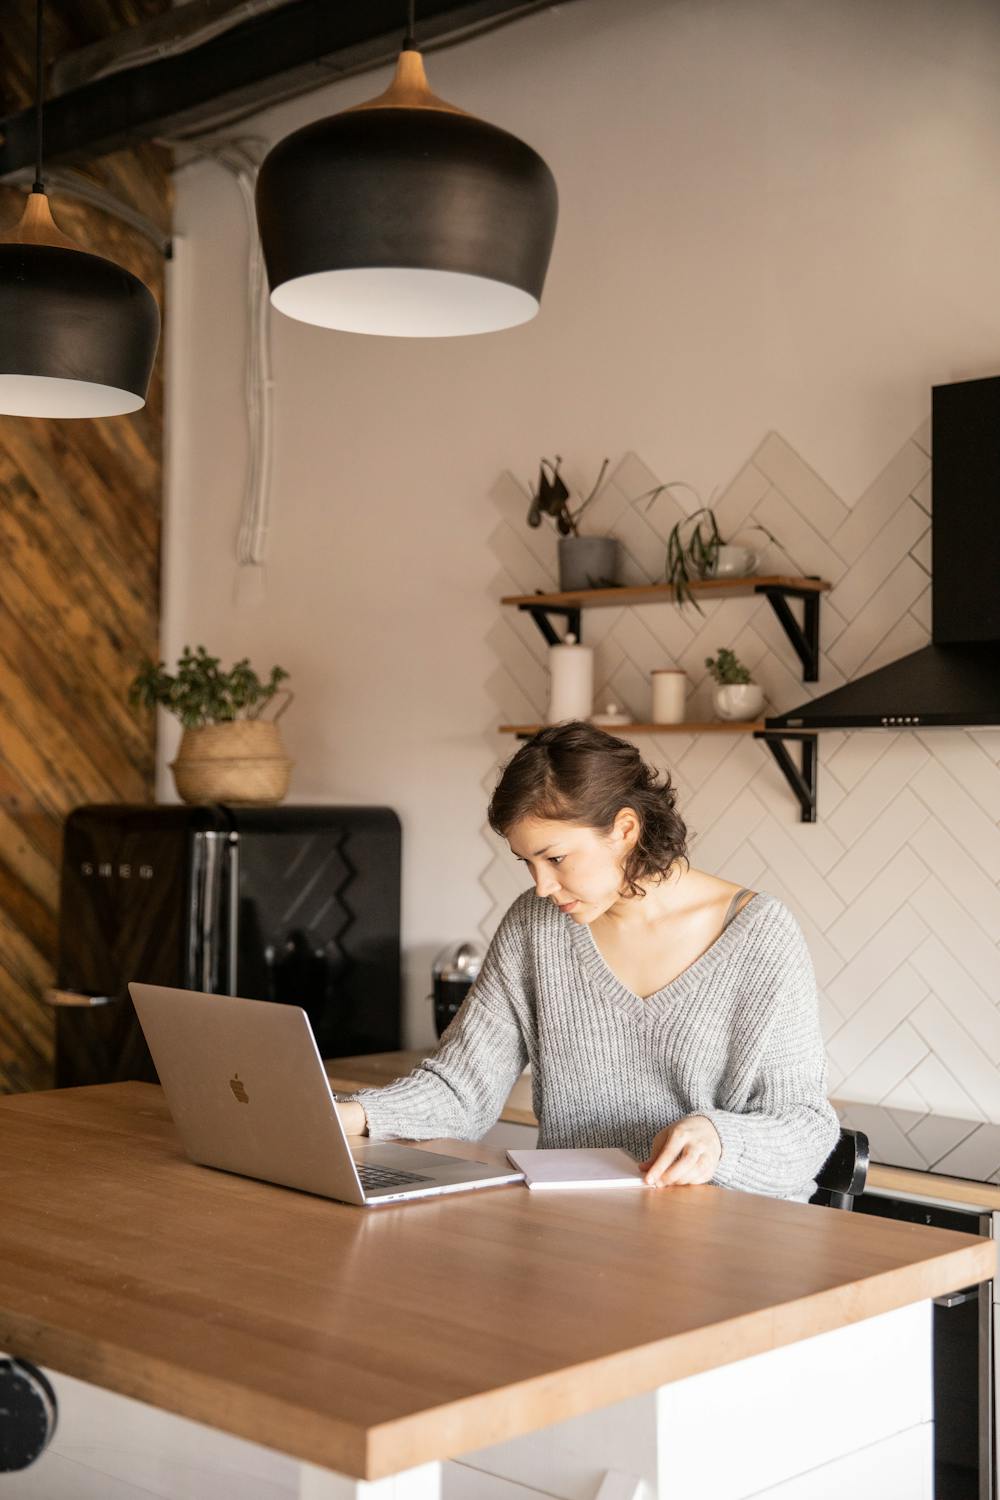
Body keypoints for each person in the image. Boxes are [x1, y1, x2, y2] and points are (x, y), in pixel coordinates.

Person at [336, 721, 840, 1201]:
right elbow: (462, 1089)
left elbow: (804, 1125)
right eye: (528, 863)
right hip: (578, 1231)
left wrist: (720, 1139)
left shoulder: (759, 936)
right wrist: (352, 1115)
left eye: (555, 858)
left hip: (727, 1240)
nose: (542, 885)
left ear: (624, 829)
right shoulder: (536, 925)